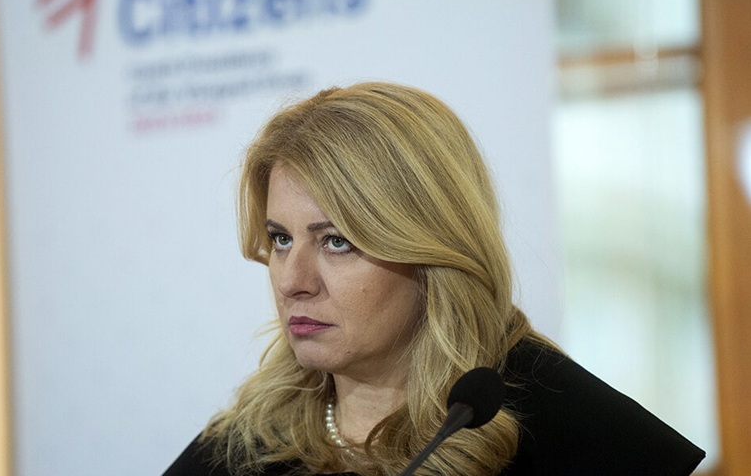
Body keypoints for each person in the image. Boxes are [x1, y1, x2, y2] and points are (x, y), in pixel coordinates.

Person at [164, 82, 705, 475]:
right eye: (281, 239)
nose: (292, 282)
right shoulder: (239, 449)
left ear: (432, 249)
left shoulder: (582, 439)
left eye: (337, 241)